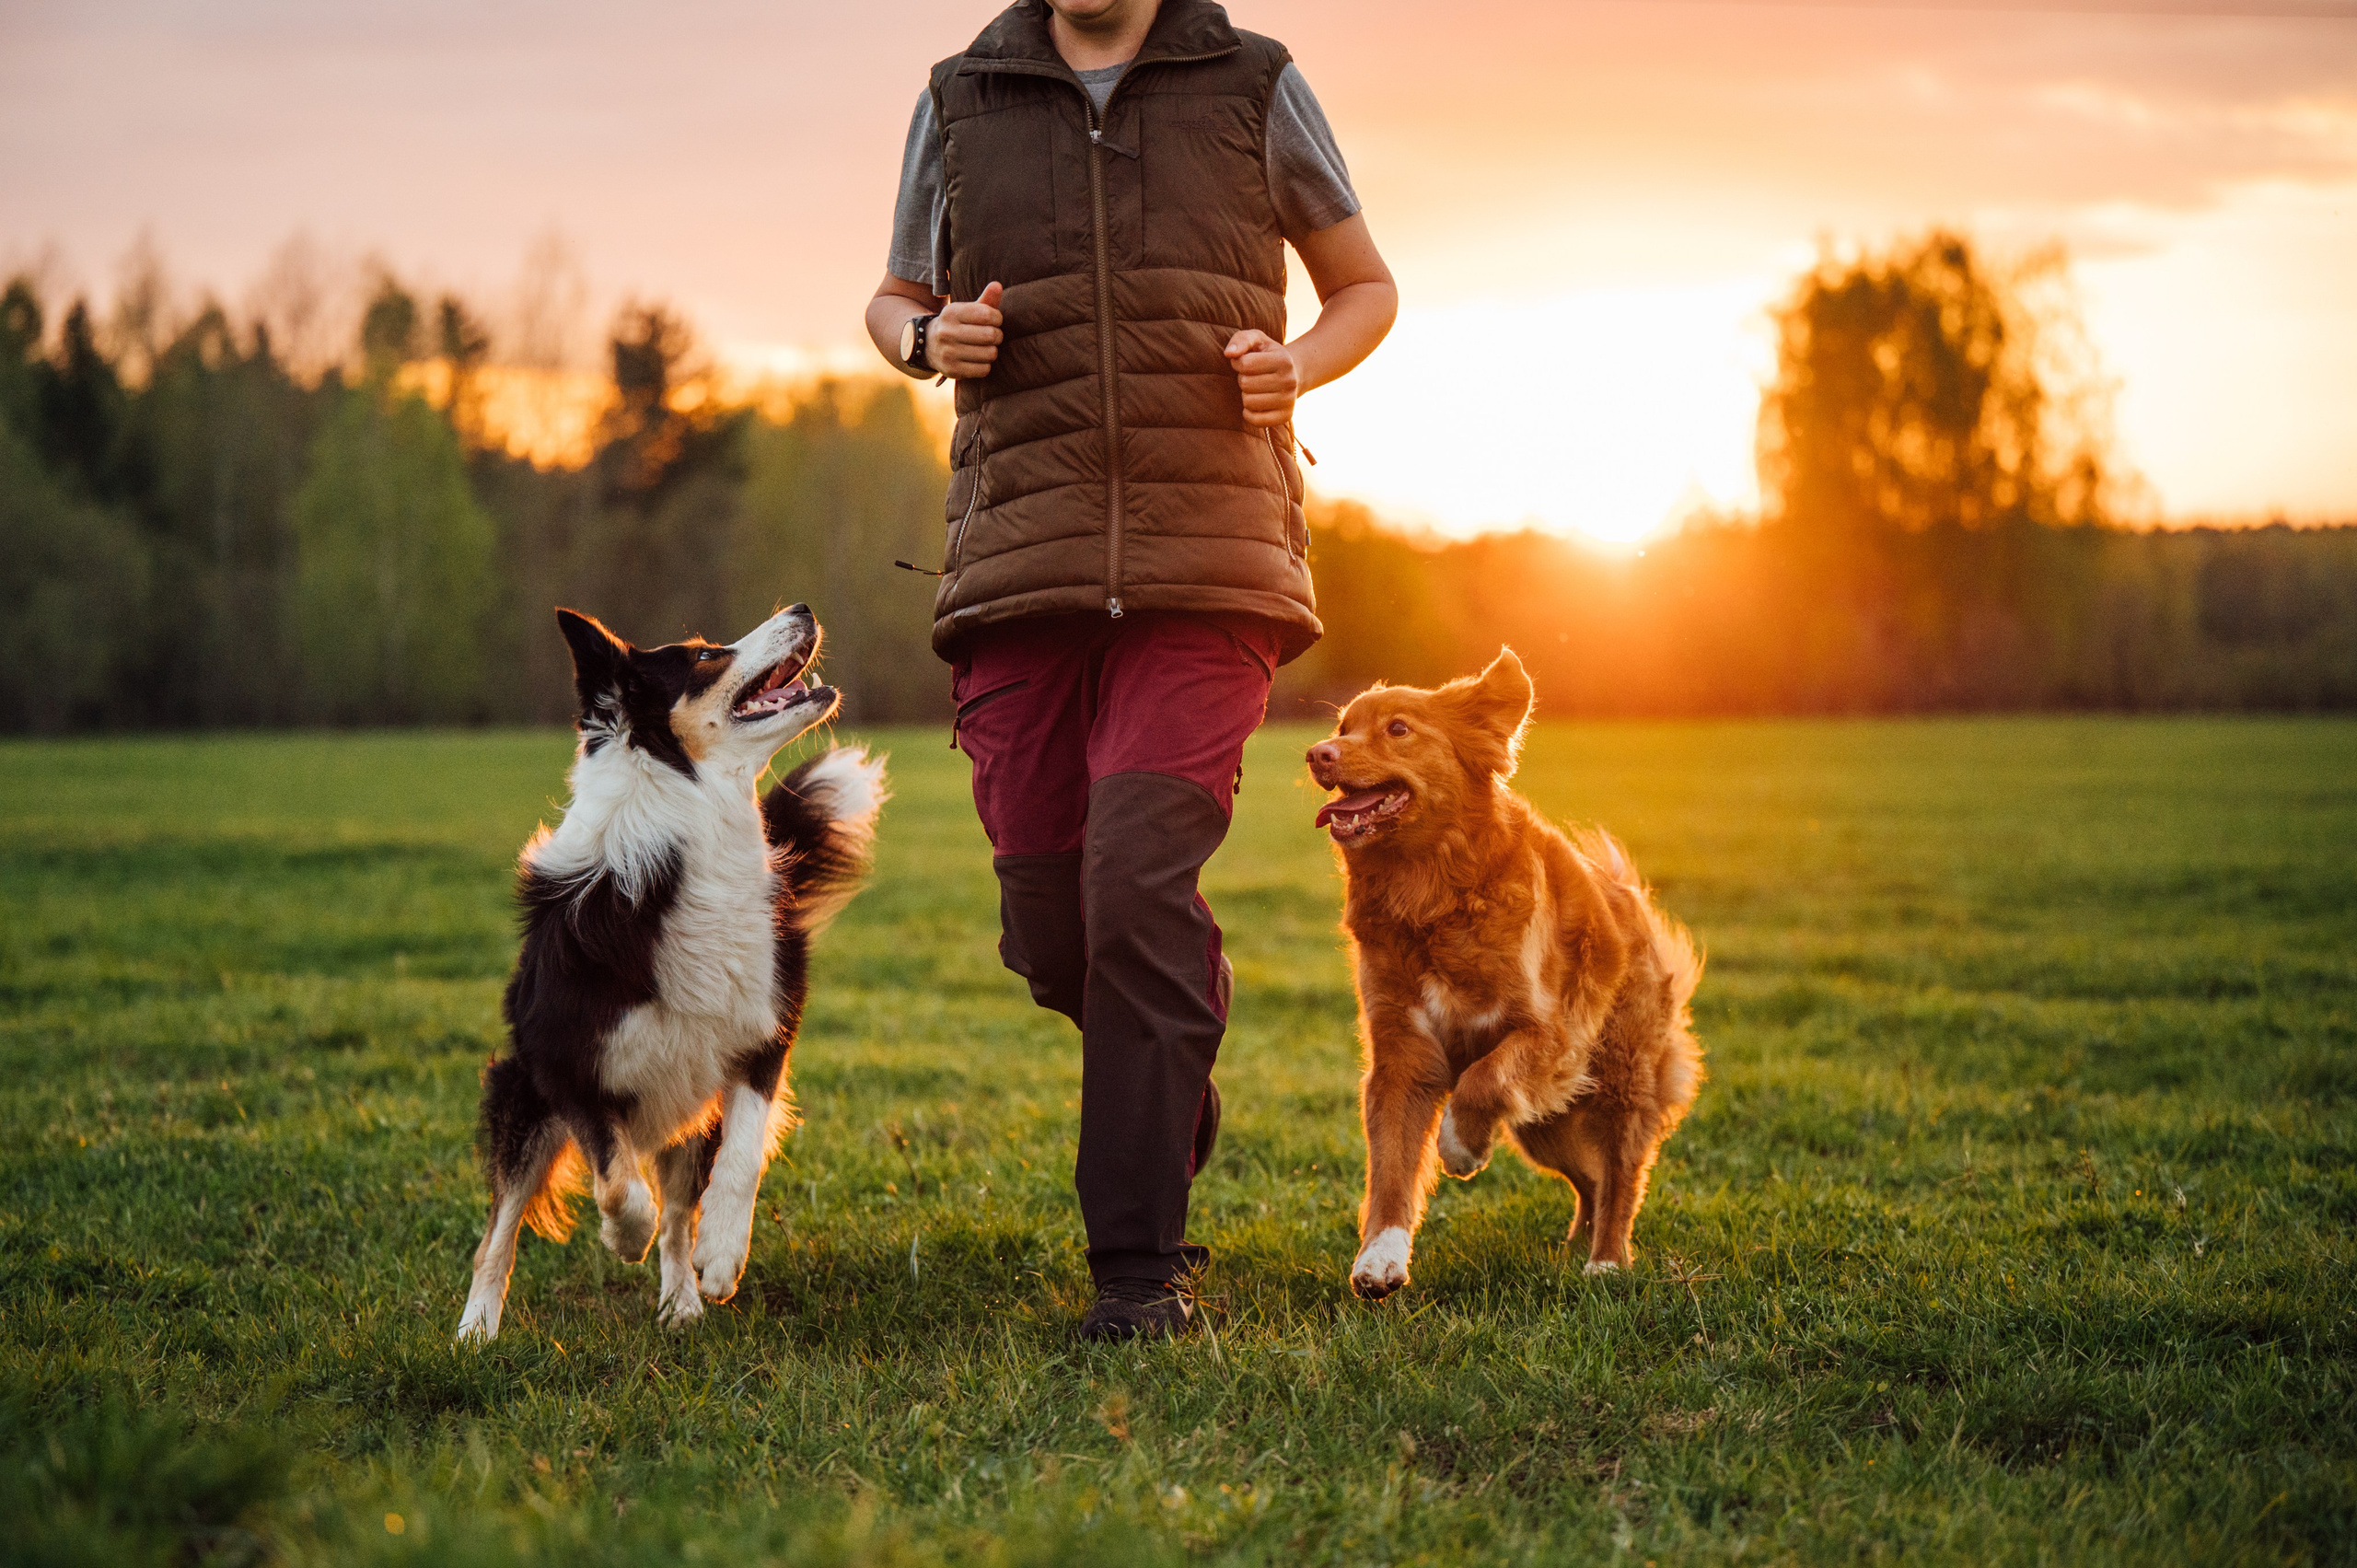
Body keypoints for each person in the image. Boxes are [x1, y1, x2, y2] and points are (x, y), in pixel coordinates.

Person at [865, 0, 1396, 1341]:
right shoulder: (959, 99)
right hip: (1021, 564)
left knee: (1138, 882)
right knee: (1055, 928)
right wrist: (928, 342)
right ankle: (1173, 1064)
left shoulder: (1253, 84)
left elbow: (1365, 288)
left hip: (1208, 559)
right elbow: (893, 300)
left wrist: (1296, 364)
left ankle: (1138, 1274)